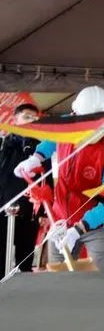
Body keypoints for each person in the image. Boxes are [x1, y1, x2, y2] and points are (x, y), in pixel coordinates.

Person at [14, 86, 104, 271]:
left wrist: (78, 229)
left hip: (99, 225)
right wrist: (36, 158)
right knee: (58, 279)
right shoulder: (68, 126)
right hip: (61, 218)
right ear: (75, 114)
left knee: (97, 280)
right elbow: (50, 141)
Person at [0, 103, 52, 275]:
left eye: (35, 118)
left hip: (30, 211)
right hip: (4, 210)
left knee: (25, 261)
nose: (32, 120)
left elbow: (48, 180)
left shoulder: (41, 148)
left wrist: (45, 212)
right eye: (27, 116)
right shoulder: (4, 144)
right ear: (15, 119)